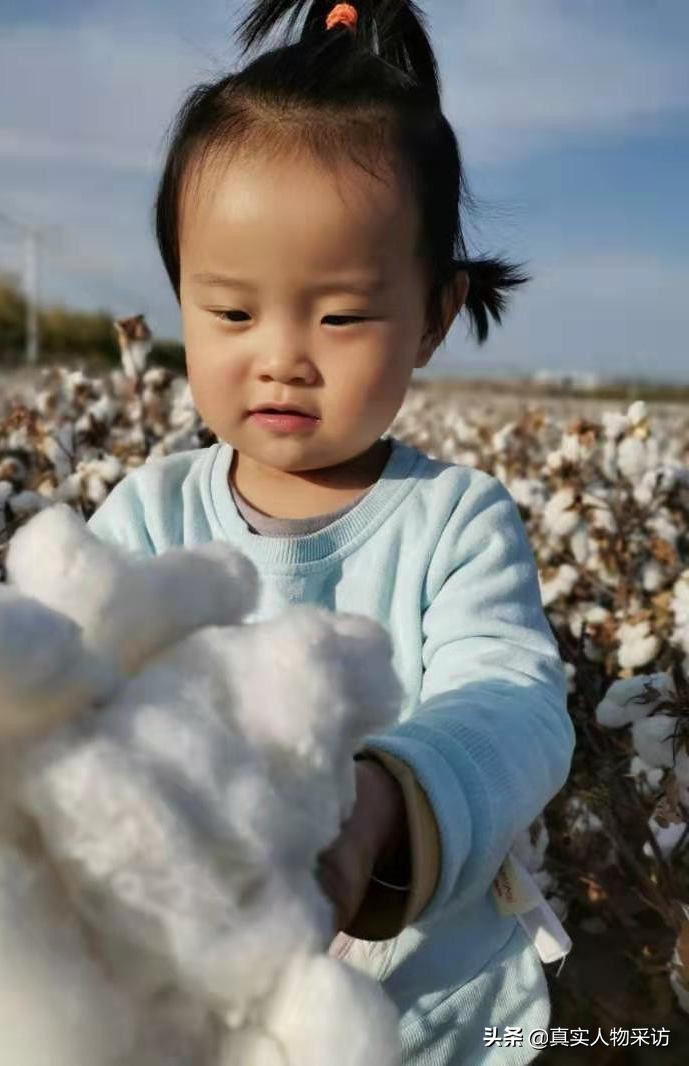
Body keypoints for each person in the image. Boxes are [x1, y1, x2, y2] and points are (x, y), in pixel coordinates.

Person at [87, 2, 576, 1061]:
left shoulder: (452, 523)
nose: (280, 355)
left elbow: (511, 704)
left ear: (434, 315)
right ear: (177, 298)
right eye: (229, 311)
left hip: (432, 1018)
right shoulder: (145, 517)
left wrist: (374, 812)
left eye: (339, 315)